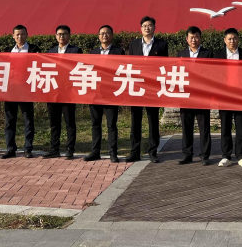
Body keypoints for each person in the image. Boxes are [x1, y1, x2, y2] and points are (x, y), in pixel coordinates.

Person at [127, 16, 168, 163]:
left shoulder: (161, 45)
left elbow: (165, 66)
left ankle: (153, 151)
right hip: (137, 86)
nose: (147, 28)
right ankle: (135, 151)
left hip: (152, 88)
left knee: (153, 120)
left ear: (154, 28)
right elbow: (129, 64)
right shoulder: (134, 44)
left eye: (150, 25)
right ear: (141, 28)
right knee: (135, 121)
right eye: (144, 25)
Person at [212, 28, 242, 167]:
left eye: (234, 38)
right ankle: (226, 155)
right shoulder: (218, 54)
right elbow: (213, 74)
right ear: (225, 40)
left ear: (238, 39)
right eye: (229, 39)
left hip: (240, 95)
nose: (232, 41)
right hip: (224, 95)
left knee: (241, 126)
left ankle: (241, 155)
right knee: (225, 126)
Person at [85, 25, 124, 162]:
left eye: (107, 33)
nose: (104, 35)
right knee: (95, 124)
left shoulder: (119, 52)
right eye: (102, 33)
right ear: (98, 36)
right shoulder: (93, 53)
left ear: (112, 36)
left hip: (111, 93)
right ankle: (95, 151)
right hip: (95, 93)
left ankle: (113, 153)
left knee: (111, 125)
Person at [3, 25, 40, 159]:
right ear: (13, 36)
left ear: (27, 35)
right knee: (9, 121)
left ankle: (28, 148)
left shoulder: (34, 49)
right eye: (17, 34)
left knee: (28, 121)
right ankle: (10, 149)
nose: (20, 37)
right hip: (10, 90)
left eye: (22, 34)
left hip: (26, 90)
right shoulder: (7, 50)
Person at [177, 26, 213, 165]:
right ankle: (187, 154)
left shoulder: (207, 54)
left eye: (196, 36)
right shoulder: (181, 54)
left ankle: (205, 155)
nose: (194, 39)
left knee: (204, 127)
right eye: (191, 37)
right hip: (185, 95)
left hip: (202, 96)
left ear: (200, 38)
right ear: (187, 39)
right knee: (186, 127)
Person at [44, 25, 81, 160]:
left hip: (68, 92)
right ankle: (54, 148)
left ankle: (70, 149)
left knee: (69, 122)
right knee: (54, 123)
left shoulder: (76, 51)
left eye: (64, 34)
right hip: (53, 92)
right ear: (56, 36)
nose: (62, 36)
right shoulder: (50, 51)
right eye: (59, 34)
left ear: (69, 36)